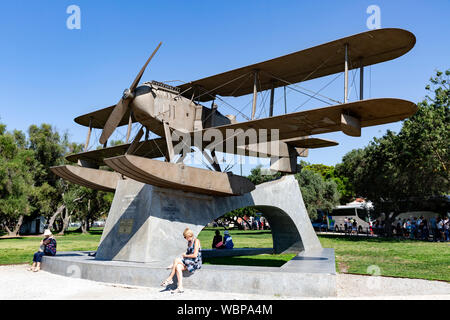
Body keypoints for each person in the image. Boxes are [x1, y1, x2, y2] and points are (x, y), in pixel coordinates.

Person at [161, 228, 202, 293]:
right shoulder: (189, 242)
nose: (185, 238)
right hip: (189, 261)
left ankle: (170, 278)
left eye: (185, 237)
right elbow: (188, 253)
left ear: (189, 235)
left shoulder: (196, 241)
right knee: (178, 267)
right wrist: (185, 255)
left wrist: (185, 256)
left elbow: (195, 255)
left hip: (195, 262)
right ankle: (180, 287)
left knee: (176, 260)